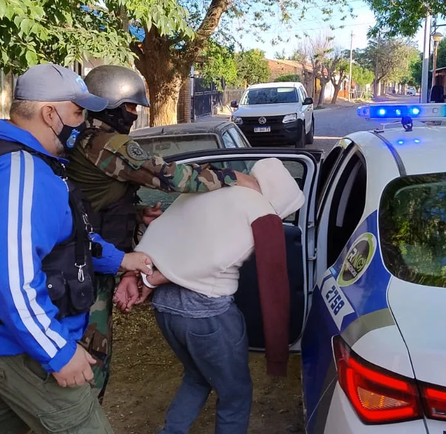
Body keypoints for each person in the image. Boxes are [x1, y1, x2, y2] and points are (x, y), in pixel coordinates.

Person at [0, 63, 154, 434]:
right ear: (49, 113)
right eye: (77, 112)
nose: (82, 122)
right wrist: (58, 353)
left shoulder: (22, 161)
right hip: (20, 348)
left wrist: (120, 258)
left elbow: (67, 238)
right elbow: (10, 281)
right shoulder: (20, 172)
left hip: (1, 343)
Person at [65, 64, 262, 402]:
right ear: (109, 105)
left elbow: (94, 201)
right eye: (130, 107)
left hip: (89, 256)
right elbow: (169, 177)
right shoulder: (109, 144)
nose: (134, 114)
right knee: (91, 355)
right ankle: (81, 416)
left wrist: (137, 214)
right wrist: (231, 177)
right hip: (86, 265)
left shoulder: (84, 140)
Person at [115, 158, 305, 434]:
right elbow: (266, 282)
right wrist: (277, 353)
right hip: (208, 315)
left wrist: (146, 274)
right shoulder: (262, 211)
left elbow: (161, 231)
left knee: (196, 376)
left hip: (166, 309)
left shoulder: (208, 189)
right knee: (236, 395)